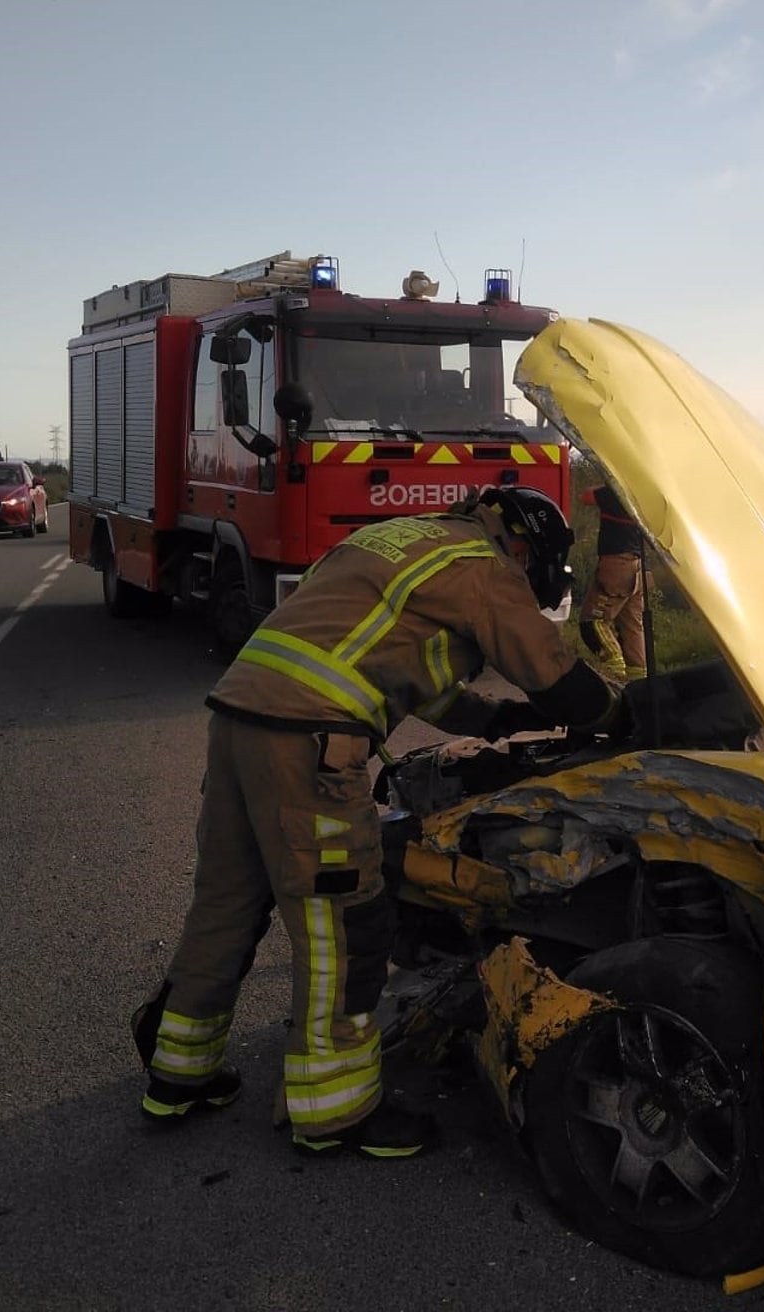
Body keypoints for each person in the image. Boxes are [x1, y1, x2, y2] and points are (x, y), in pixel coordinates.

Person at [131, 486, 625, 1159]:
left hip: (239, 722)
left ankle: (179, 1071)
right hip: (309, 742)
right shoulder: (483, 565)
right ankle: (335, 1112)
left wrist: (499, 721)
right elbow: (554, 673)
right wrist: (620, 716)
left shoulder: (403, 539)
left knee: (227, 903)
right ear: (523, 546)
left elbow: (416, 673)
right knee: (342, 925)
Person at [576, 483, 648, 679]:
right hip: (638, 567)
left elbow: (585, 497)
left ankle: (613, 674)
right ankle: (638, 682)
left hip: (617, 565)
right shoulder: (643, 494)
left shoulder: (617, 491)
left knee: (593, 622)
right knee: (631, 628)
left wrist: (607, 478)